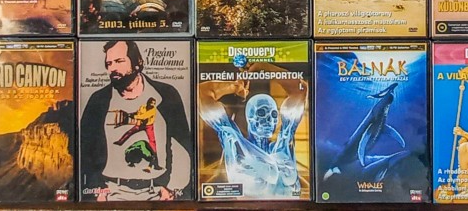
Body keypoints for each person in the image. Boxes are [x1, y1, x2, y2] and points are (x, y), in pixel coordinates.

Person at [80, 41, 191, 201]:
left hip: (158, 193)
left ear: (137, 62)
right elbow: (83, 149)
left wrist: (173, 188)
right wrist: (96, 189)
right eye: (109, 64)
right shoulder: (99, 100)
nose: (113, 68)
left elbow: (184, 145)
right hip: (112, 193)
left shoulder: (166, 94)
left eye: (119, 61)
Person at [199, 62, 307, 198]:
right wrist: (235, 87)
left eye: (274, 115)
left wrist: (265, 68)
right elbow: (201, 94)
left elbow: (300, 90)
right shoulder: (235, 143)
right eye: (261, 113)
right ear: (250, 117)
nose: (269, 120)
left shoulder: (284, 142)